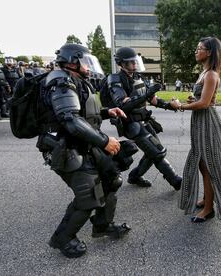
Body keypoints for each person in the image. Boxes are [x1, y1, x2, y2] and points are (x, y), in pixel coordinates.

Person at [36, 43, 131, 258]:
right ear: (71, 62)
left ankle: (102, 225)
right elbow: (70, 120)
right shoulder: (60, 82)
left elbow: (83, 113)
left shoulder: (75, 80)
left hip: (83, 143)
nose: (88, 67)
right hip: (65, 147)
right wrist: (105, 141)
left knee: (111, 179)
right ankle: (63, 238)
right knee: (88, 195)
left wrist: (107, 112)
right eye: (85, 62)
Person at [171, 37, 221, 223]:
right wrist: (193, 100)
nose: (196, 51)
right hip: (200, 122)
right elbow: (202, 100)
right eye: (197, 48)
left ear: (210, 52)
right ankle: (207, 199)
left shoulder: (212, 74)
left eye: (200, 48)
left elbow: (205, 104)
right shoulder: (204, 73)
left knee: (209, 166)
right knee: (201, 163)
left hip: (207, 123)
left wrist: (180, 106)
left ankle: (208, 209)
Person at [105, 47, 182, 190]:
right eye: (131, 62)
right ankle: (176, 181)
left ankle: (134, 176)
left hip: (144, 121)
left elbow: (153, 99)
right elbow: (123, 104)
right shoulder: (115, 79)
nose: (134, 64)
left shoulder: (138, 77)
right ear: (121, 63)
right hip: (131, 124)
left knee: (152, 152)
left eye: (135, 61)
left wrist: (170, 106)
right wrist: (145, 95)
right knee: (157, 152)